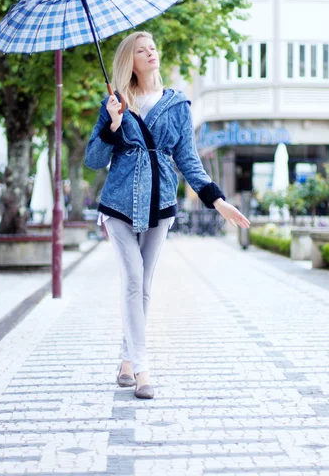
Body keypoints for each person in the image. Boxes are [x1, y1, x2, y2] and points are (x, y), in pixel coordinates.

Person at [85, 31, 250, 400]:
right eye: (142, 50)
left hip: (160, 203)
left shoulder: (177, 105)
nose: (151, 53)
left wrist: (218, 201)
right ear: (130, 60)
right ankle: (142, 369)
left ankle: (127, 360)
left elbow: (188, 160)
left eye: (153, 48)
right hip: (118, 203)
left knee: (143, 284)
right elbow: (94, 160)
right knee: (132, 279)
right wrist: (112, 124)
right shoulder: (115, 102)